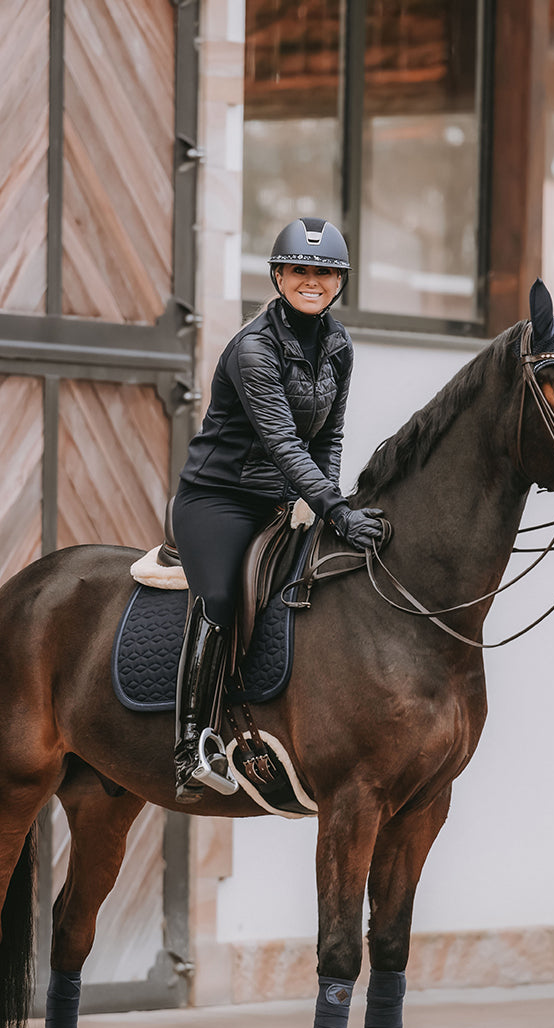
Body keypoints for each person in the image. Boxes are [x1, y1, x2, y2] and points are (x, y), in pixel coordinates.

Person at [172, 216, 385, 799]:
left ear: (339, 281)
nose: (311, 281)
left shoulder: (338, 346)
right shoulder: (252, 348)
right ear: (278, 276)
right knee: (218, 597)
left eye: (324, 272)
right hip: (219, 498)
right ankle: (191, 745)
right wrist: (335, 509)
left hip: (282, 499)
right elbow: (282, 442)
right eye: (300, 271)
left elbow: (328, 439)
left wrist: (323, 505)